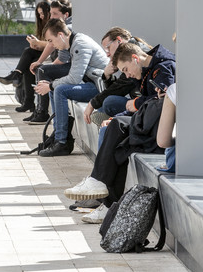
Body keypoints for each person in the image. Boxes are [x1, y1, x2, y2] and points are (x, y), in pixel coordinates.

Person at [64, 41, 176, 222]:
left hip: (161, 133)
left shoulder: (164, 68)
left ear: (134, 58)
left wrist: (136, 104)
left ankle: (99, 187)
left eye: (125, 69)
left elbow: (162, 103)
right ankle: (107, 203)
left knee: (117, 130)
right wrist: (124, 113)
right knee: (118, 143)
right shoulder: (148, 69)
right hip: (149, 127)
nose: (127, 74)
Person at [33, 18, 109, 157]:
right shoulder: (73, 42)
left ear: (61, 35)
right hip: (91, 82)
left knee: (59, 89)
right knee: (56, 87)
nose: (51, 45)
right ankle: (58, 134)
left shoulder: (80, 44)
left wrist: (50, 85)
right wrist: (50, 85)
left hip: (100, 87)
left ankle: (62, 142)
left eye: (51, 40)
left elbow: (75, 78)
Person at [83, 27, 147, 126]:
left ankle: (112, 122)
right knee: (104, 104)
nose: (107, 54)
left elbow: (120, 88)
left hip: (143, 105)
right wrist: (107, 76)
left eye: (108, 48)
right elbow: (119, 89)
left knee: (109, 102)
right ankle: (110, 123)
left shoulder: (132, 54)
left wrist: (92, 103)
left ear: (118, 40)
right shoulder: (131, 50)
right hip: (139, 103)